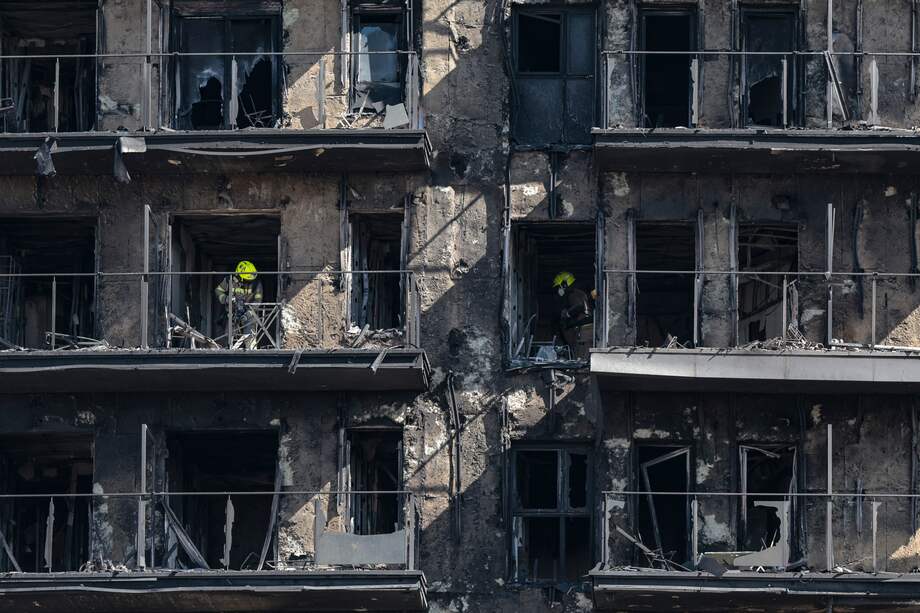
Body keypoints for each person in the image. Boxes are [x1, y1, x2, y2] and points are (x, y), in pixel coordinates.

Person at [215, 261, 264, 347]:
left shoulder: (256, 283)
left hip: (249, 313)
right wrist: (226, 299)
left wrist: (248, 314)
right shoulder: (229, 280)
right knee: (228, 336)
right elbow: (218, 290)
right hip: (232, 313)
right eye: (247, 279)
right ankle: (228, 351)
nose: (249, 280)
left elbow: (258, 301)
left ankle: (251, 351)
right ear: (239, 276)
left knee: (249, 336)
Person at [553, 271, 592, 355]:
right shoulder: (578, 293)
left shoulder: (573, 294)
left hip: (583, 331)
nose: (558, 289)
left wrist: (567, 314)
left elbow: (579, 306)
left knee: (580, 356)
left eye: (559, 286)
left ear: (564, 284)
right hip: (583, 330)